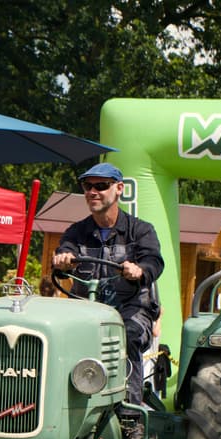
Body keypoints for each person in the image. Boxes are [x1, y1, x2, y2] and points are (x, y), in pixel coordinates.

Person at [52, 163, 164, 414]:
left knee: (125, 337)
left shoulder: (140, 230)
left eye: (101, 186)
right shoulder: (77, 231)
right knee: (57, 339)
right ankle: (61, 410)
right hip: (86, 313)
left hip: (131, 308)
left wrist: (140, 270)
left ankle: (129, 416)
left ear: (119, 189)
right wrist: (62, 260)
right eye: (87, 186)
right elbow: (64, 251)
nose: (93, 192)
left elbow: (154, 262)